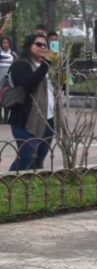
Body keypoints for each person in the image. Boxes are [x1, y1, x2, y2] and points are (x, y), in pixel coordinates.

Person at [8, 35, 55, 171]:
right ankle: (11, 184)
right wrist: (46, 64)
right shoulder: (20, 64)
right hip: (25, 119)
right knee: (26, 156)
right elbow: (28, 85)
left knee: (39, 158)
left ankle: (32, 186)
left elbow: (57, 89)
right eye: (38, 44)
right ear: (29, 46)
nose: (42, 47)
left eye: (45, 45)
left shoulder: (47, 66)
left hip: (48, 119)